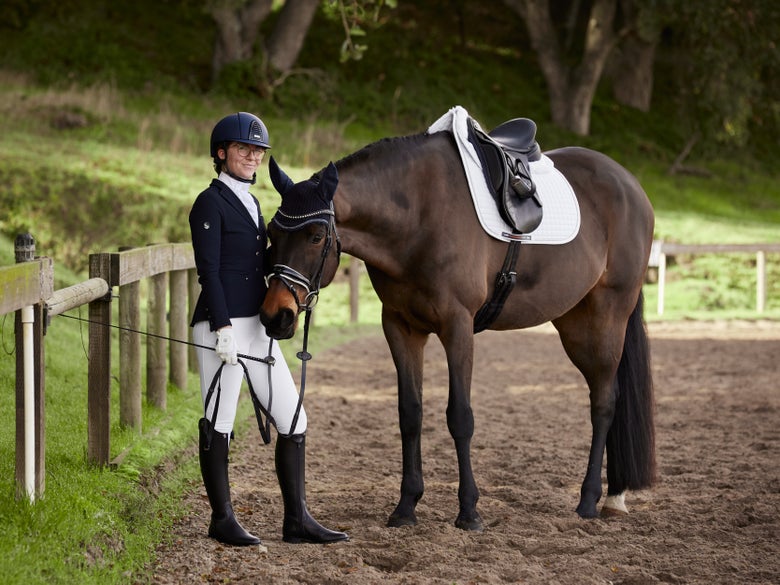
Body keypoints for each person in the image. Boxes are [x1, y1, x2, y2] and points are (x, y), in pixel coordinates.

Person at [188, 112, 348, 547]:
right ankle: (222, 519)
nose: (253, 157)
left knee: (294, 418)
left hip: (257, 325)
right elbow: (210, 272)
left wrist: (297, 290)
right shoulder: (210, 202)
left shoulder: (254, 203)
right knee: (218, 421)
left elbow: (267, 264)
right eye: (244, 150)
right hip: (221, 326)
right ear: (221, 154)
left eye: (257, 151)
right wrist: (221, 327)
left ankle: (296, 520)